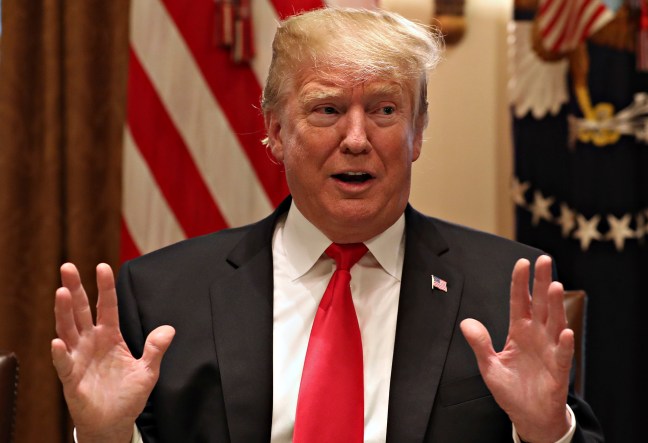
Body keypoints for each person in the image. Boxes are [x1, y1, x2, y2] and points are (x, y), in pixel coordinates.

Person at [52, 7, 603, 443]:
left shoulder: (509, 288)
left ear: (417, 134)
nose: (357, 138)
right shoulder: (163, 296)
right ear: (275, 131)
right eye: (327, 110)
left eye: (386, 110)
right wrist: (105, 436)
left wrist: (544, 433)